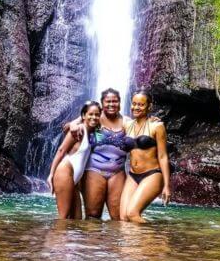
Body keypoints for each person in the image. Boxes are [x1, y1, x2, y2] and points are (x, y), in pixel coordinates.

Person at [67, 88, 129, 219]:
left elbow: (143, 125)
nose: (112, 104)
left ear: (120, 102)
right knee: (93, 215)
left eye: (115, 101)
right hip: (94, 170)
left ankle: (115, 240)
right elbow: (68, 126)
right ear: (102, 103)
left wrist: (151, 120)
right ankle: (92, 240)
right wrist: (74, 124)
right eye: (108, 101)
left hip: (118, 172)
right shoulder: (95, 119)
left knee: (118, 217)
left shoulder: (127, 122)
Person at [120, 90, 171, 223]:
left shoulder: (157, 126)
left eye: (141, 105)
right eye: (134, 104)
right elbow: (102, 114)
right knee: (123, 217)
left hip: (152, 174)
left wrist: (166, 185)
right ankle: (134, 244)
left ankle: (154, 241)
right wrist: (76, 122)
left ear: (149, 107)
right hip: (132, 175)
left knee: (132, 214)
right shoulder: (127, 124)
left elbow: (163, 156)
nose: (136, 107)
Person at [47, 101, 101, 219]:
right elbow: (61, 150)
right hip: (65, 173)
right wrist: (51, 174)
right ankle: (54, 237)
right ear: (83, 116)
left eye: (97, 114)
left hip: (74, 180)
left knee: (76, 220)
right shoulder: (78, 130)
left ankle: (64, 238)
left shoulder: (93, 132)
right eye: (90, 114)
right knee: (63, 218)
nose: (94, 117)